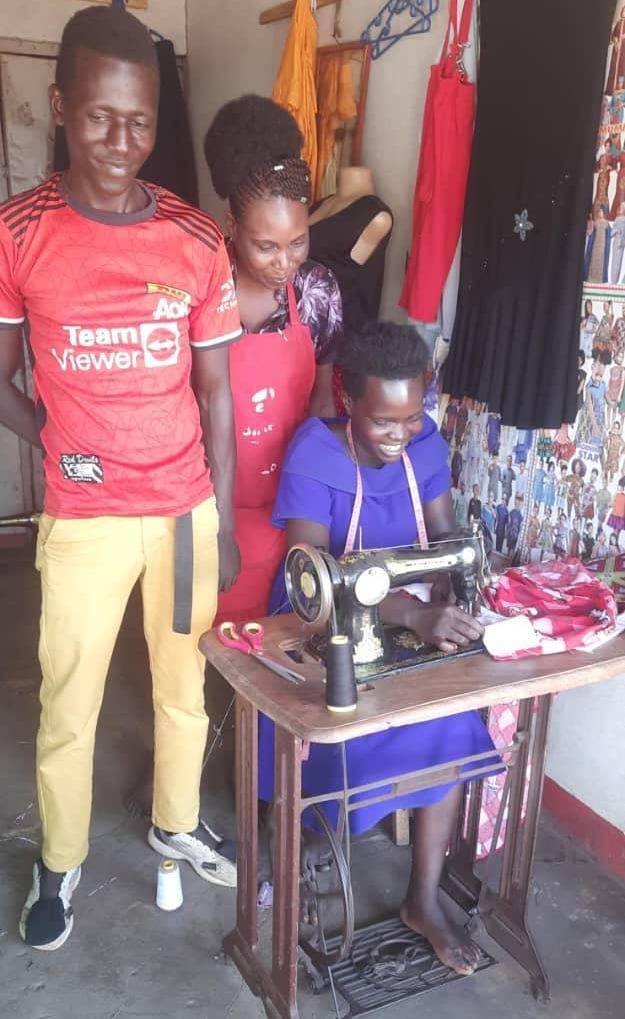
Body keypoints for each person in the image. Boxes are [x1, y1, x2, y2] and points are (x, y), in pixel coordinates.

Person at [0, 7, 242, 951]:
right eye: (100, 117)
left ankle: (175, 819)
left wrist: (219, 518)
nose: (120, 141)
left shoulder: (194, 238)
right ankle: (59, 860)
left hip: (182, 513)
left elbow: (215, 392)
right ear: (60, 106)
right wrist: (56, 437)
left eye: (139, 122)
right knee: (71, 697)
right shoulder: (20, 235)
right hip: (86, 518)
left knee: (185, 683)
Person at [259, 322, 497, 976]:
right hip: (320, 623)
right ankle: (305, 841)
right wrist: (415, 614)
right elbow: (313, 576)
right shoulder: (316, 453)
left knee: (450, 719)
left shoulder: (424, 444)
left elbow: (445, 536)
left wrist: (451, 590)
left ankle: (423, 899)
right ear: (348, 400)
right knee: (341, 728)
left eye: (411, 417)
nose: (400, 434)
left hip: (406, 616)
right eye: (382, 421)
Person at [203, 94, 341, 626]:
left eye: (298, 242)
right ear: (231, 225)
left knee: (287, 642)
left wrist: (316, 510)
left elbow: (322, 402)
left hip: (292, 508)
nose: (285, 263)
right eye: (266, 246)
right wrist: (217, 527)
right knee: (210, 646)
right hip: (211, 510)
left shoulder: (317, 291)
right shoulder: (201, 290)